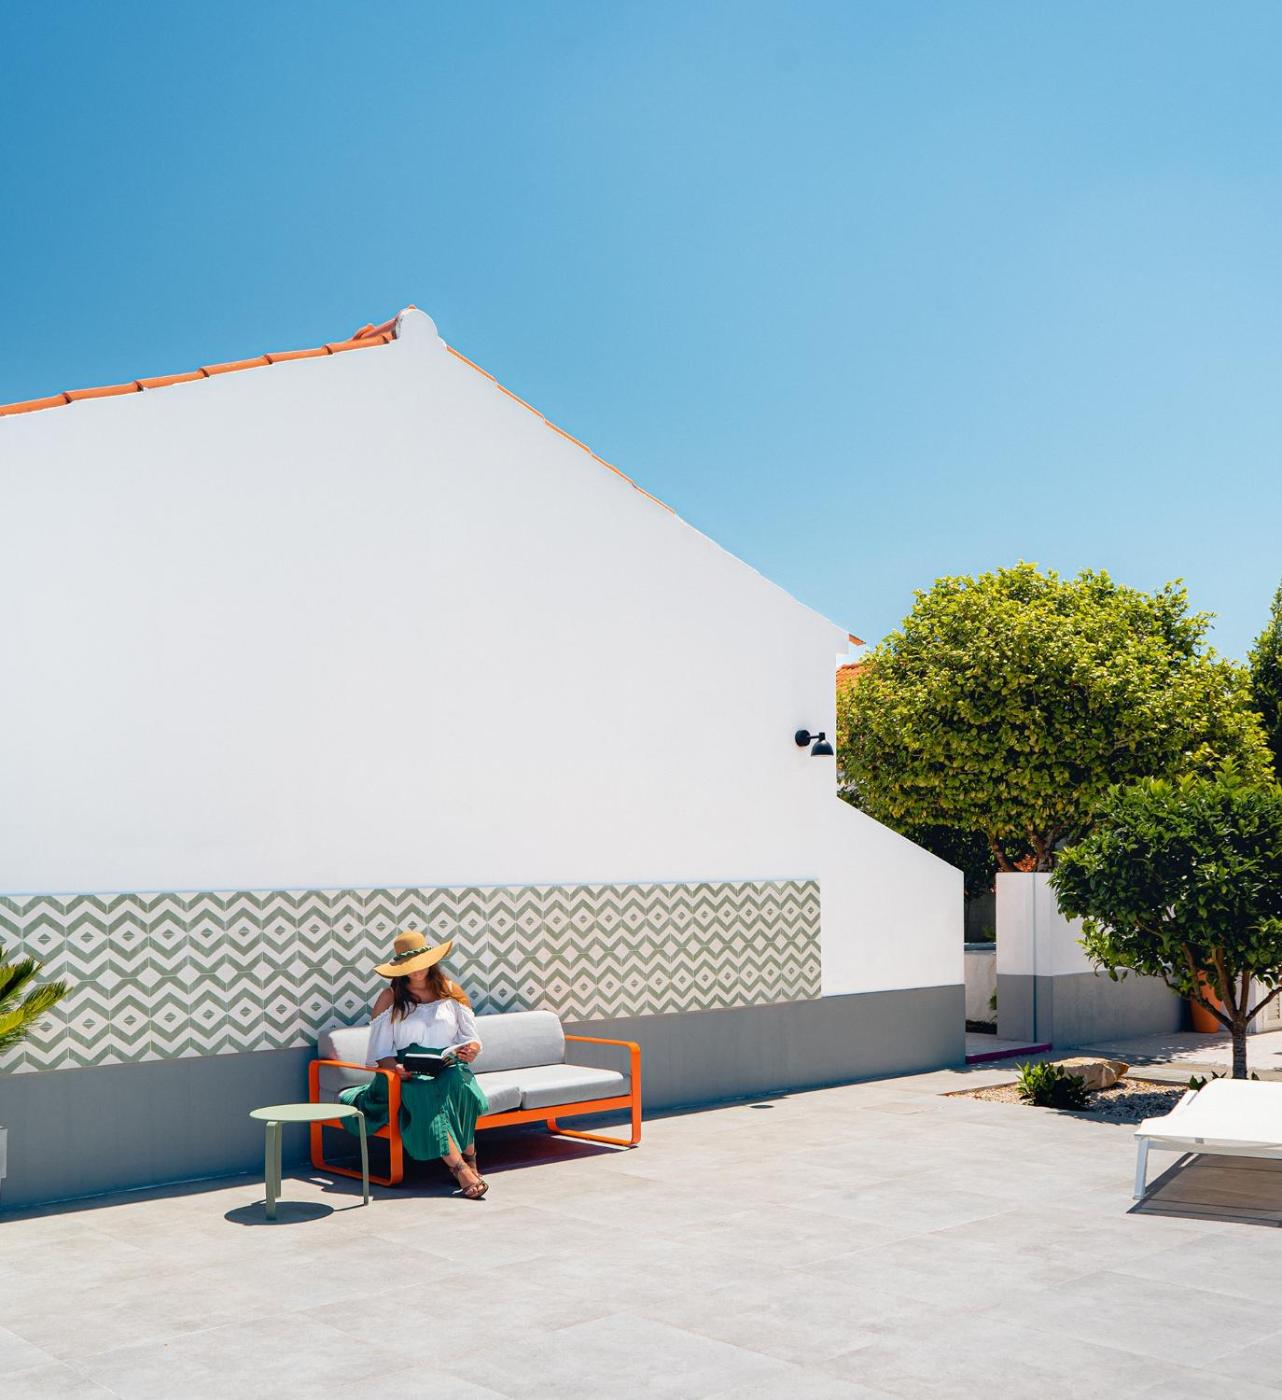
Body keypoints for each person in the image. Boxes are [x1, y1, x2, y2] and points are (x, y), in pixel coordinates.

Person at [338, 930, 489, 1199]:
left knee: (461, 1085)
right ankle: (461, 1169)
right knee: (424, 1092)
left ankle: (469, 1158)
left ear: (431, 961)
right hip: (405, 1071)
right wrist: (395, 1068)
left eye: (421, 963)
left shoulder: (451, 991)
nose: (417, 970)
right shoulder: (390, 997)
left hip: (447, 1064)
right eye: (409, 966)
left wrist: (471, 1050)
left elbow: (471, 1037)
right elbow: (380, 1051)